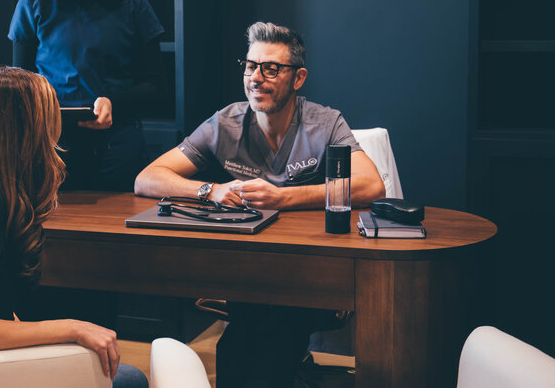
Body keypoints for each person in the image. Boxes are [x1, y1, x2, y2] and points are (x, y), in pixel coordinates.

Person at [134, 22, 385, 387]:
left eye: (271, 68)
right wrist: (211, 190)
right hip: (246, 270)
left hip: (308, 270)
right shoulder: (226, 122)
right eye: (251, 66)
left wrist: (285, 197)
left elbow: (371, 185)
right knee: (251, 334)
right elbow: (148, 177)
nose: (256, 78)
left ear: (298, 78)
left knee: (262, 336)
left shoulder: (326, 123)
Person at [0, 67, 147, 388]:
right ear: (23, 129)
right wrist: (73, 328)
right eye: (48, 117)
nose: (56, 129)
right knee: (130, 380)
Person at [8, 0, 164, 192]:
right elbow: (18, 86)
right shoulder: (33, 3)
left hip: (118, 148)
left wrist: (112, 103)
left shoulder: (133, 3)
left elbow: (156, 86)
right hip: (53, 150)